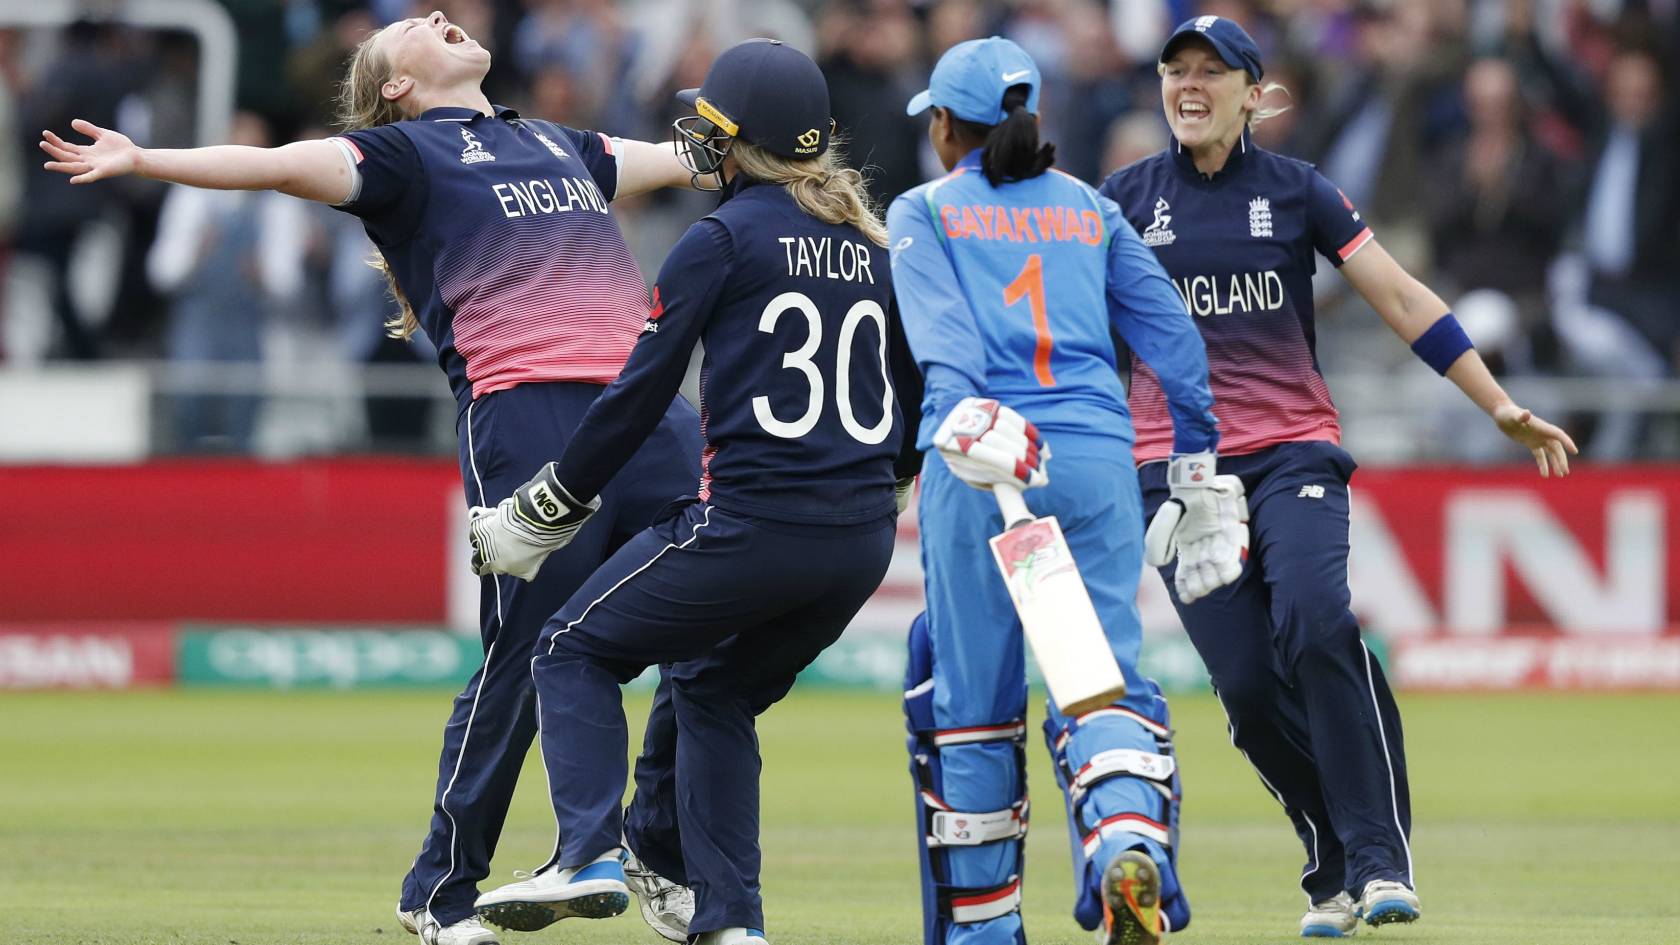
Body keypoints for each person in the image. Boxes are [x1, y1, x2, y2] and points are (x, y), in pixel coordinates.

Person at [40, 12, 712, 945]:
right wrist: (146, 159)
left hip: (651, 411)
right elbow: (275, 166)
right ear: (395, 84)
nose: (445, 18)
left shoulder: (564, 142)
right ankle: (439, 890)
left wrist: (761, 131)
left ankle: (656, 847)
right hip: (527, 414)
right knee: (522, 660)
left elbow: (691, 162)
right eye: (418, 29)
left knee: (723, 614)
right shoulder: (397, 155)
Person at [1097, 16, 1578, 938]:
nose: (1189, 86)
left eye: (1211, 72)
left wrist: (1497, 403)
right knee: (1243, 683)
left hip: (1291, 454)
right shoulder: (1121, 201)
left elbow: (1400, 295)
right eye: (1175, 71)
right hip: (1177, 473)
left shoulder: (1296, 191)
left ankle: (1379, 858)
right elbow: (1073, 332)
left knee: (1317, 621)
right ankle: (1328, 852)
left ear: (1253, 91)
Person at [463, 39, 929, 945]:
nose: (698, 141)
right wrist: (891, 482)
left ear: (738, 140)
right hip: (860, 543)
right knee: (713, 688)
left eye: (711, 126)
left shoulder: (718, 238)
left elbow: (639, 394)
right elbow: (915, 392)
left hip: (751, 525)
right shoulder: (873, 248)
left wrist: (550, 504)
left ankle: (587, 853)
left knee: (568, 649)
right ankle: (731, 921)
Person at [890, 36, 1243, 945]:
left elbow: (947, 347)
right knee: (1099, 684)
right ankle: (1127, 841)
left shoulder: (924, 210)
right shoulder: (1091, 209)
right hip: (1091, 466)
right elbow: (1176, 346)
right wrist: (1196, 461)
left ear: (943, 126)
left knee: (970, 703)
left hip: (981, 467)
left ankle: (983, 928)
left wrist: (968, 420)